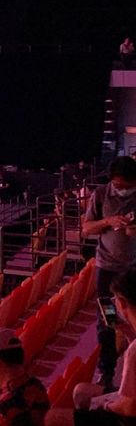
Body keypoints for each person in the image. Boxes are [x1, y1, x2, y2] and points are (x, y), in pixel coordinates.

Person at [45, 263, 136, 426]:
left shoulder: (134, 352)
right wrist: (127, 332)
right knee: (81, 391)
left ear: (122, 303)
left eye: (115, 299)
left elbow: (129, 407)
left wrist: (105, 405)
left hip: (129, 416)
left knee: (52, 418)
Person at [83, 156, 136, 388]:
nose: (123, 190)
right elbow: (86, 229)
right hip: (106, 268)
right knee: (107, 319)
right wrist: (108, 221)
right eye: (119, 185)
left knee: (134, 316)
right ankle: (107, 371)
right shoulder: (101, 195)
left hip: (133, 270)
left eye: (128, 186)